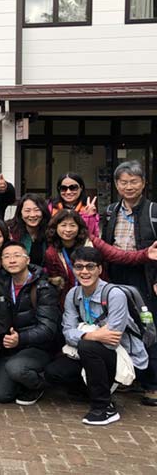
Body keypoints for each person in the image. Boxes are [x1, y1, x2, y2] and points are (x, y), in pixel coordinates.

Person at [45, 247, 148, 425]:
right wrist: (91, 335)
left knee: (87, 347)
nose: (84, 272)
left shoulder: (114, 294)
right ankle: (90, 392)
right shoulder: (73, 294)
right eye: (79, 267)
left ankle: (104, 407)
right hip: (92, 351)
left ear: (100, 269)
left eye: (90, 266)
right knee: (54, 372)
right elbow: (67, 332)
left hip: (123, 355)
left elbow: (112, 340)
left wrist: (83, 336)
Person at [101, 161, 157, 406]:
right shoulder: (110, 211)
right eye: (123, 182)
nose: (129, 186)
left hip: (145, 277)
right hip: (116, 275)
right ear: (116, 185)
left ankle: (152, 384)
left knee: (149, 326)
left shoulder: (153, 211)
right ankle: (128, 375)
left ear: (143, 183)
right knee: (122, 326)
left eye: (134, 181)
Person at [0, 242, 60, 405]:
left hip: (38, 347)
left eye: (17, 255)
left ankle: (39, 384)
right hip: (11, 348)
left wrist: (20, 338)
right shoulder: (1, 285)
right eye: (7, 257)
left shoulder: (43, 287)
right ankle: (19, 379)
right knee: (0, 395)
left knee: (16, 369)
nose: (12, 260)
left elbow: (48, 329)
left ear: (27, 260)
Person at [43, 210, 157, 307]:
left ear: (79, 227)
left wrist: (145, 254)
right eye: (63, 225)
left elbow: (119, 255)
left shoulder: (92, 242)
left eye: (72, 225)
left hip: (100, 296)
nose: (68, 230)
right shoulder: (51, 253)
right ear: (55, 227)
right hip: (71, 301)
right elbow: (58, 286)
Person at [48, 172, 99, 237]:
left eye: (73, 188)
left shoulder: (88, 208)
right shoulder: (51, 207)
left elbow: (92, 236)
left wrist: (89, 217)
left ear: (81, 188)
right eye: (63, 188)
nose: (68, 192)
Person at [7, 194, 50, 267]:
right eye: (27, 211)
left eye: (37, 210)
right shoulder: (10, 232)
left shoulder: (49, 232)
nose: (32, 215)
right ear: (20, 212)